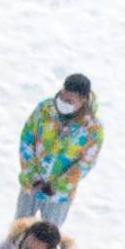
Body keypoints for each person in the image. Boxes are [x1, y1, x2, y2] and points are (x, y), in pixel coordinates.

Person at [15, 73, 104, 225]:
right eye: (62, 97)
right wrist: (32, 175)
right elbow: (27, 139)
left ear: (83, 101)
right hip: (31, 184)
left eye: (69, 101)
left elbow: (85, 164)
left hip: (58, 196)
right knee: (18, 230)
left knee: (46, 237)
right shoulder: (45, 109)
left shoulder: (93, 129)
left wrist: (56, 186)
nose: (63, 102)